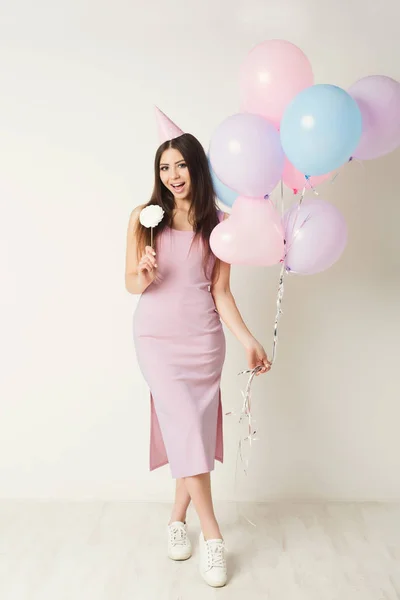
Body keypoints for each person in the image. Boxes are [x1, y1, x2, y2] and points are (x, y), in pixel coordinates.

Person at [125, 132, 271, 587]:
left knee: (190, 432)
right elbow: (130, 283)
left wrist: (248, 339)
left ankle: (176, 519)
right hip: (156, 339)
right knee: (186, 425)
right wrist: (144, 274)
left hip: (204, 342)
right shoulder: (142, 219)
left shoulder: (220, 225)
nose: (172, 176)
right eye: (164, 168)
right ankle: (213, 537)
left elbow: (221, 292)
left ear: (196, 168)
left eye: (180, 166)